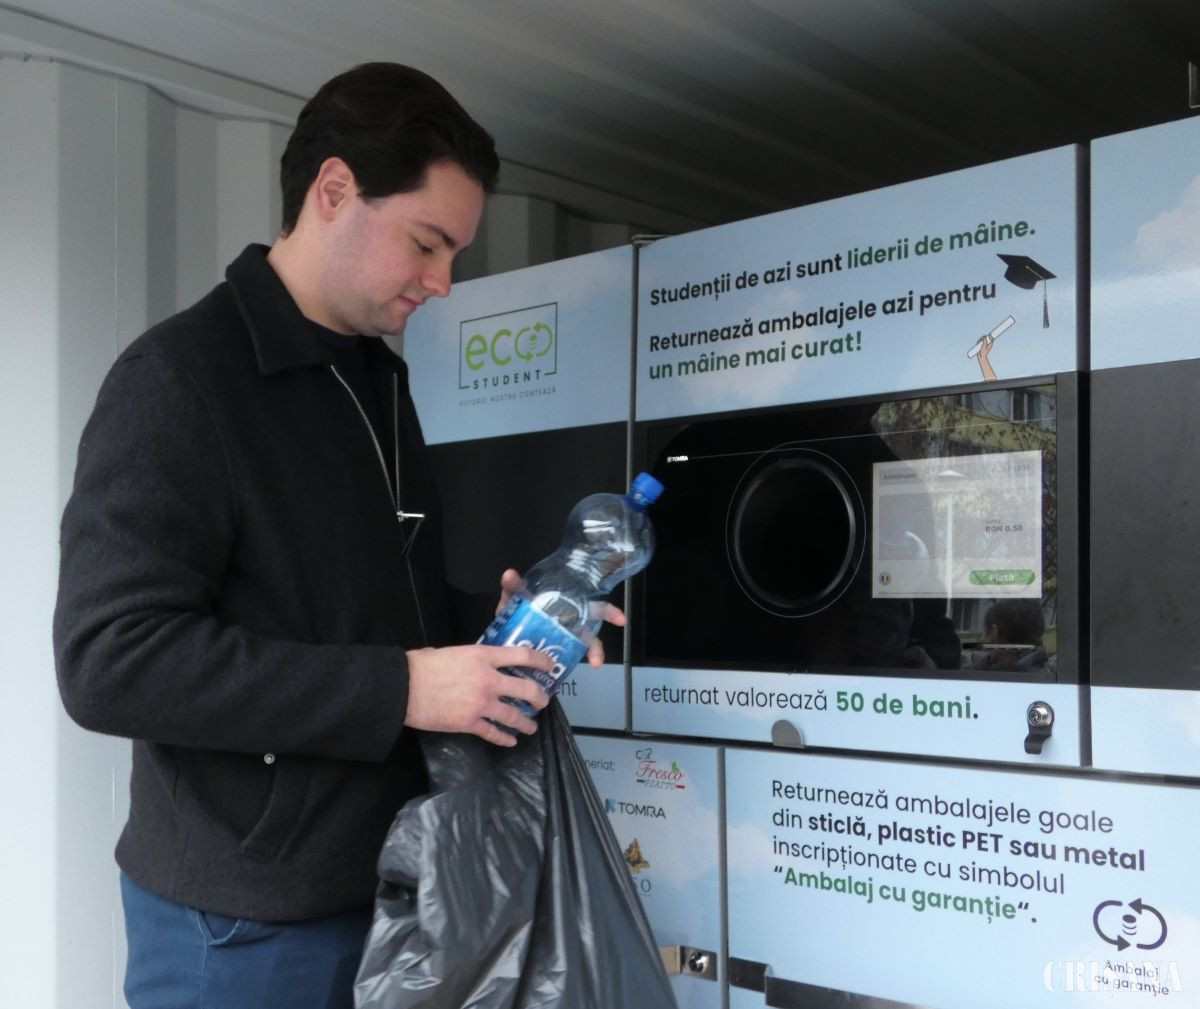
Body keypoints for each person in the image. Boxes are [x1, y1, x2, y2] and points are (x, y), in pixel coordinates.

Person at [53, 62, 619, 1009]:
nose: (442, 284)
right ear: (333, 190)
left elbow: (370, 604)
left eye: (454, 254)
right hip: (239, 927)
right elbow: (109, 660)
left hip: (390, 887)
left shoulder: (378, 381)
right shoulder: (179, 380)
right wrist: (405, 687)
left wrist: (500, 626)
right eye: (427, 243)